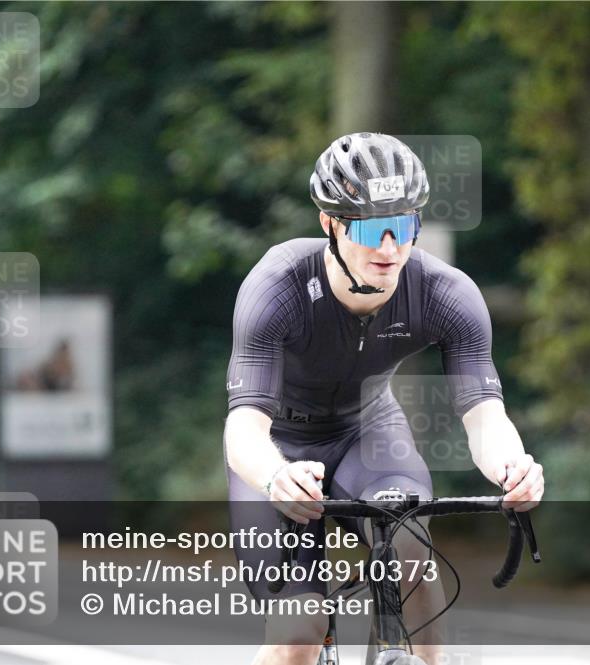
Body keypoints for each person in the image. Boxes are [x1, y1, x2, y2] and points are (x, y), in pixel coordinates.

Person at [224, 132, 544, 665]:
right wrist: (276, 476)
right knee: (299, 633)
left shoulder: (444, 293)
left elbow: (485, 416)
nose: (390, 249)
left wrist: (513, 467)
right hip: (277, 447)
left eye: (405, 226)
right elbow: (244, 430)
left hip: (367, 434)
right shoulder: (277, 287)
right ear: (330, 223)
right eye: (373, 228)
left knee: (411, 550)